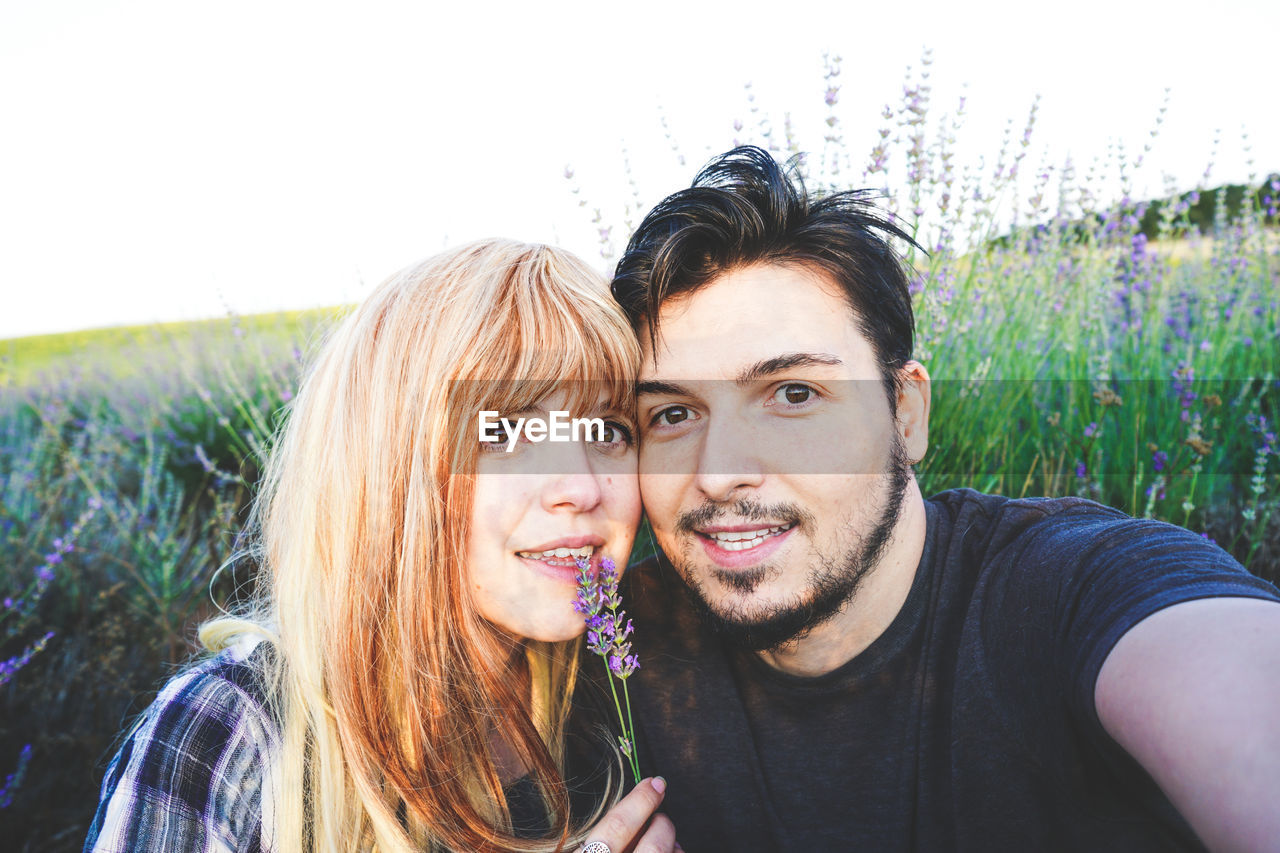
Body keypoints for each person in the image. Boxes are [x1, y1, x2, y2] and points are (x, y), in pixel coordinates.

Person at [608, 146, 1280, 851]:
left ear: (907, 411)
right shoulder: (613, 652)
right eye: (673, 414)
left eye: (794, 394)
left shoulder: (1072, 591)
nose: (718, 475)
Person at [85, 240, 677, 852]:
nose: (580, 487)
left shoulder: (623, 689)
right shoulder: (228, 738)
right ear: (393, 467)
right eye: (512, 430)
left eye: (608, 429)